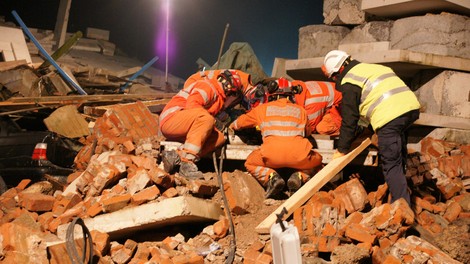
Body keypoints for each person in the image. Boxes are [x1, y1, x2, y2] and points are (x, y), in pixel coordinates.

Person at [322, 50, 421, 205]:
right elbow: (378, 97)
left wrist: (341, 150)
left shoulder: (350, 81)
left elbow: (349, 120)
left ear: (339, 70)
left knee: (391, 164)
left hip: (390, 117)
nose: (335, 80)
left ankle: (401, 209)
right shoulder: (372, 68)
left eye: (334, 77)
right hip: (410, 110)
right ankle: (400, 194)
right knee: (398, 155)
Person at [229, 82, 323, 198]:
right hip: (299, 156)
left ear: (272, 95)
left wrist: (231, 126)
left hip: (271, 156)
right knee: (318, 161)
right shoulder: (301, 111)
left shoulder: (262, 109)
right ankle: (300, 176)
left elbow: (241, 122)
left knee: (250, 163)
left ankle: (272, 177)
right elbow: (308, 132)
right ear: (291, 95)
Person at [159, 70, 246, 179]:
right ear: (229, 88)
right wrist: (215, 122)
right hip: (171, 119)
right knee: (207, 119)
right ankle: (187, 164)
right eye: (234, 96)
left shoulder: (218, 99)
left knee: (219, 137)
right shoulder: (208, 86)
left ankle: (176, 156)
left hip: (185, 124)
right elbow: (192, 106)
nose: (233, 102)